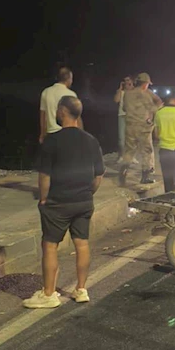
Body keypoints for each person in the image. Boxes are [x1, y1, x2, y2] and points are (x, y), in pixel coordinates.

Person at [24, 96, 105, 309]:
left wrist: (43, 198)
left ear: (62, 111)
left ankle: (49, 294)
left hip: (58, 202)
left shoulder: (52, 140)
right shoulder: (91, 140)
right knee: (82, 243)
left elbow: (45, 176)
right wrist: (88, 193)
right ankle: (81, 289)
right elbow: (98, 176)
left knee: (50, 246)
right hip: (83, 201)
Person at [120, 72, 162, 185]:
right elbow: (156, 105)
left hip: (130, 127)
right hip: (143, 127)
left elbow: (124, 108)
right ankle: (146, 176)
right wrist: (152, 112)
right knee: (147, 151)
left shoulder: (127, 94)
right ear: (145, 84)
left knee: (129, 151)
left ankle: (123, 174)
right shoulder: (146, 93)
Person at [39, 66, 81, 144]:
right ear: (68, 79)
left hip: (51, 134)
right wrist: (81, 134)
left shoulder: (46, 92)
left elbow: (43, 116)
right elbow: (76, 117)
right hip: (67, 134)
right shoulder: (71, 94)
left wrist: (42, 134)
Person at [113, 75, 134, 155]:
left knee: (132, 138)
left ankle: (131, 156)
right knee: (121, 139)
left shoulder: (134, 92)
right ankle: (121, 155)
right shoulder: (121, 92)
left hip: (132, 116)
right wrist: (120, 88)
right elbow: (116, 100)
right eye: (125, 80)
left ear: (132, 81)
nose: (127, 82)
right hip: (122, 115)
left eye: (128, 80)